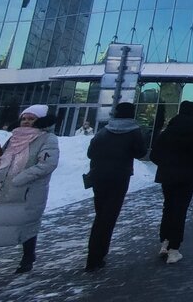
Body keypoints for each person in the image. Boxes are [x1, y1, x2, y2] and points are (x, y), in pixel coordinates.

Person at [0, 104, 60, 274]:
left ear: (40, 120)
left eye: (31, 119)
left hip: (27, 191)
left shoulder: (47, 138)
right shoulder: (14, 138)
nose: (26, 121)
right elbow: (1, 159)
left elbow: (47, 164)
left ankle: (28, 258)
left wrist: (20, 178)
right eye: (24, 118)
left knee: (26, 225)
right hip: (1, 189)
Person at [84, 102, 146, 272]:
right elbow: (140, 152)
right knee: (108, 217)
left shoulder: (104, 130)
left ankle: (93, 256)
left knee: (100, 214)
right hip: (119, 176)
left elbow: (90, 152)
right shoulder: (134, 131)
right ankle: (98, 255)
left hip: (99, 176)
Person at [149, 101, 193, 264]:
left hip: (167, 176)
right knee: (180, 210)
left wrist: (167, 165)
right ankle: (174, 249)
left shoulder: (168, 131)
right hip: (186, 177)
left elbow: (154, 155)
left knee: (168, 207)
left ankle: (165, 242)